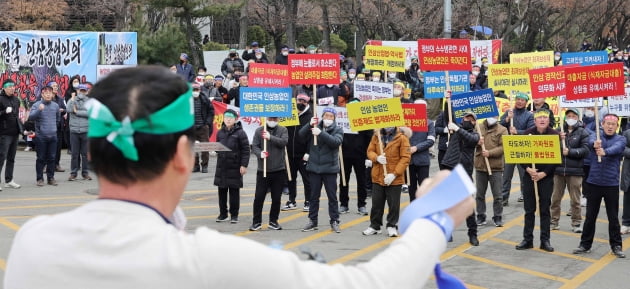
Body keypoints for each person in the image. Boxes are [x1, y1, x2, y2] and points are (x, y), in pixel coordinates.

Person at [4, 66, 475, 289]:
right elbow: (375, 283)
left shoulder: (34, 239)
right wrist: (434, 217)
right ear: (186, 156)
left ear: (91, 149)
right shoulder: (205, 260)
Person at [573, 114, 626, 258]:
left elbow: (618, 148)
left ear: (617, 126)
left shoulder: (621, 139)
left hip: (611, 184)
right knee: (590, 216)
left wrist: (605, 152)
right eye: (607, 123)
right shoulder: (595, 137)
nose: (610, 126)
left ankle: (616, 245)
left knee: (613, 218)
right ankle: (585, 244)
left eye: (613, 124)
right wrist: (593, 145)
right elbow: (590, 142)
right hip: (593, 183)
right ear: (602, 124)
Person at [515, 109, 558, 252]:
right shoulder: (528, 133)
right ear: (535, 120)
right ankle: (527, 239)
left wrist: (544, 173)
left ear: (548, 120)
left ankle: (545, 240)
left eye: (545, 117)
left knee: (545, 209)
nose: (542, 120)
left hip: (546, 177)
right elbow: (520, 155)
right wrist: (528, 169)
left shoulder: (554, 135)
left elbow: (557, 159)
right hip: (529, 176)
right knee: (529, 209)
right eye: (539, 118)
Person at [298, 107, 343, 233]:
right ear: (322, 116)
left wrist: (321, 133)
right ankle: (313, 221)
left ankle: (334, 220)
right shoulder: (314, 126)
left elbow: (335, 142)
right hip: (314, 168)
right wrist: (309, 124)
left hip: (330, 169)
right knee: (313, 197)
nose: (328, 118)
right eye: (326, 116)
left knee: (332, 197)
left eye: (331, 116)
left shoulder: (338, 130)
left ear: (334, 118)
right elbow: (301, 135)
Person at [363, 125, 411, 238]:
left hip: (394, 178)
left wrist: (394, 174)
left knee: (394, 204)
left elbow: (405, 158)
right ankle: (375, 226)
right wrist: (376, 158)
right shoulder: (376, 135)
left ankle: (392, 225)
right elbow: (370, 151)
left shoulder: (402, 138)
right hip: (378, 175)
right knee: (376, 203)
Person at [442, 111, 480, 246]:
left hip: (465, 172)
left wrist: (457, 129)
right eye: (465, 118)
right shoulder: (454, 129)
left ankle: (473, 234)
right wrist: (447, 99)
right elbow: (448, 113)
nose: (467, 120)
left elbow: (471, 139)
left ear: (475, 122)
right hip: (450, 169)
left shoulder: (475, 135)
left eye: (470, 118)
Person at [550, 108, 589, 233]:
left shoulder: (582, 132)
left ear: (578, 118)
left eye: (573, 116)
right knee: (555, 198)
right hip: (558, 170)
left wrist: (571, 152)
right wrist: (557, 138)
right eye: (569, 116)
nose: (571, 118)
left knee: (575, 200)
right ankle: (554, 222)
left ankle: (576, 223)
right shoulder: (558, 131)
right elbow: (549, 147)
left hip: (575, 171)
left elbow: (586, 150)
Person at [249, 117, 288, 231]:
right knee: (259, 197)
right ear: (266, 118)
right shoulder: (259, 130)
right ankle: (256, 222)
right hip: (263, 170)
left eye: (274, 118)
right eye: (270, 118)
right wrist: (259, 153)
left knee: (276, 198)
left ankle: (273, 221)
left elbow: (283, 142)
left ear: (278, 119)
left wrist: (270, 137)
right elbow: (255, 146)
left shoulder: (283, 130)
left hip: (279, 170)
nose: (272, 120)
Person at [213, 109, 250, 223]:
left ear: (235, 119)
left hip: (235, 166)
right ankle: (223, 214)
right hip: (222, 166)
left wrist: (244, 165)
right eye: (226, 117)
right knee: (222, 191)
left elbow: (246, 150)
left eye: (230, 117)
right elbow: (218, 147)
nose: (228, 119)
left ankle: (234, 215)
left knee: (234, 192)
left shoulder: (240, 133)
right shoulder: (220, 132)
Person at [338, 98, 373, 215]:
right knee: (344, 180)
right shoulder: (342, 120)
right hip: (344, 155)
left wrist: (368, 157)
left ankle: (361, 205)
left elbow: (370, 140)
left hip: (360, 156)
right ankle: (343, 204)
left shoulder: (365, 121)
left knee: (361, 181)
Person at [500, 92, 534, 206]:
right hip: (509, 147)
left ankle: (525, 196)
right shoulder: (509, 112)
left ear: (526, 102)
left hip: (523, 148)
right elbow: (499, 125)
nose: (520, 102)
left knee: (524, 175)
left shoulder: (529, 115)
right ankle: (503, 198)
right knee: (506, 175)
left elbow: (531, 131)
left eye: (522, 100)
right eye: (518, 99)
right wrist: (507, 119)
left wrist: (517, 132)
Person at [474, 115, 508, 227]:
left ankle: (497, 216)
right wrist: (476, 142)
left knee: (498, 195)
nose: (491, 117)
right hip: (480, 166)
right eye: (489, 115)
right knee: (479, 194)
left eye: (494, 115)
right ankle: (481, 215)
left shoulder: (502, 130)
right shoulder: (478, 127)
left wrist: (490, 153)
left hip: (495, 167)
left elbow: (504, 147)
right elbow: (470, 141)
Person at [282, 93, 313, 212]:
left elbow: (312, 137)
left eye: (303, 101)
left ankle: (308, 201)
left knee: (307, 179)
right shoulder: (289, 114)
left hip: (303, 155)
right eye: (299, 100)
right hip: (290, 153)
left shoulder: (310, 117)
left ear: (307, 103)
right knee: (290, 177)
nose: (301, 103)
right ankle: (291, 200)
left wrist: (308, 152)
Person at [28, 84, 60, 186]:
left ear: (52, 94)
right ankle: (40, 179)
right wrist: (39, 110)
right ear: (42, 94)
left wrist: (54, 129)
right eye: (46, 93)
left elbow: (58, 119)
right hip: (41, 137)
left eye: (50, 93)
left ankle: (51, 178)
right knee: (41, 158)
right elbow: (31, 118)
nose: (48, 95)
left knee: (52, 158)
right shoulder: (37, 105)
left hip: (53, 136)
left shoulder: (55, 106)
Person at [407, 99, 435, 201]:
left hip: (423, 161)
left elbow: (431, 140)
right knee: (411, 188)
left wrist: (416, 148)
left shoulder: (429, 123)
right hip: (409, 160)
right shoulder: (406, 122)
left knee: (424, 188)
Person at [66, 84, 91, 181]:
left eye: (84, 91)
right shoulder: (72, 100)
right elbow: (68, 109)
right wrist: (72, 99)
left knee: (85, 154)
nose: (82, 93)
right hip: (74, 130)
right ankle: (73, 173)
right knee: (74, 154)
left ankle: (85, 173)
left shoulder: (89, 101)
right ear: (76, 91)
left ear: (87, 92)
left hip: (85, 130)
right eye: (80, 90)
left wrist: (77, 112)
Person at [0, 79, 22, 190]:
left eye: (13, 86)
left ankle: (9, 180)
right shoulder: (0, 99)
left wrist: (23, 129)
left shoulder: (16, 100)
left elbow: (16, 117)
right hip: (4, 134)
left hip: (15, 133)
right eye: (9, 86)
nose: (12, 88)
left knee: (11, 158)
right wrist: (4, 112)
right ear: (4, 87)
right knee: (1, 157)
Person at [191, 83, 213, 173]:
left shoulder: (205, 100)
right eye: (193, 90)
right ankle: (195, 166)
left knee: (205, 147)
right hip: (191, 128)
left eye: (197, 90)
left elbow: (211, 111)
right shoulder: (186, 101)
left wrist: (207, 123)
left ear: (200, 90)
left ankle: (204, 165)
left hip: (203, 128)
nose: (195, 92)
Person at [620, 127, 630, 234]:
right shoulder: (627, 133)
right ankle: (626, 223)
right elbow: (622, 147)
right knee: (628, 197)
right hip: (629, 171)